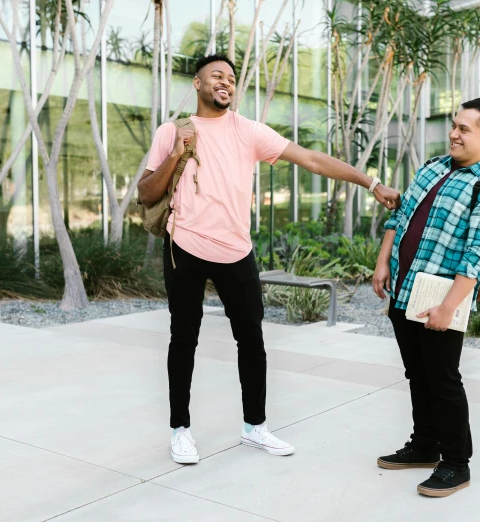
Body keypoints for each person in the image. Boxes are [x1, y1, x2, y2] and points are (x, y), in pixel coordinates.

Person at [138, 54, 401, 465]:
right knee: (183, 340)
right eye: (216, 76)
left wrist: (371, 182)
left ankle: (255, 427)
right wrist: (176, 154)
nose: (225, 82)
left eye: (230, 77)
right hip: (184, 247)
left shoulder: (249, 131)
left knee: (252, 341)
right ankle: (180, 431)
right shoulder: (172, 131)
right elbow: (147, 193)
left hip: (236, 252)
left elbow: (311, 159)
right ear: (197, 84)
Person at [371, 97, 480, 497]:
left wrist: (448, 308)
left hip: (440, 296)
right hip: (404, 287)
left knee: (444, 380)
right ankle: (424, 445)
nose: (453, 133)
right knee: (417, 373)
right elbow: (398, 217)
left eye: (464, 129)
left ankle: (456, 463)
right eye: (454, 125)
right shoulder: (432, 167)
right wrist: (383, 262)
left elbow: (477, 257)